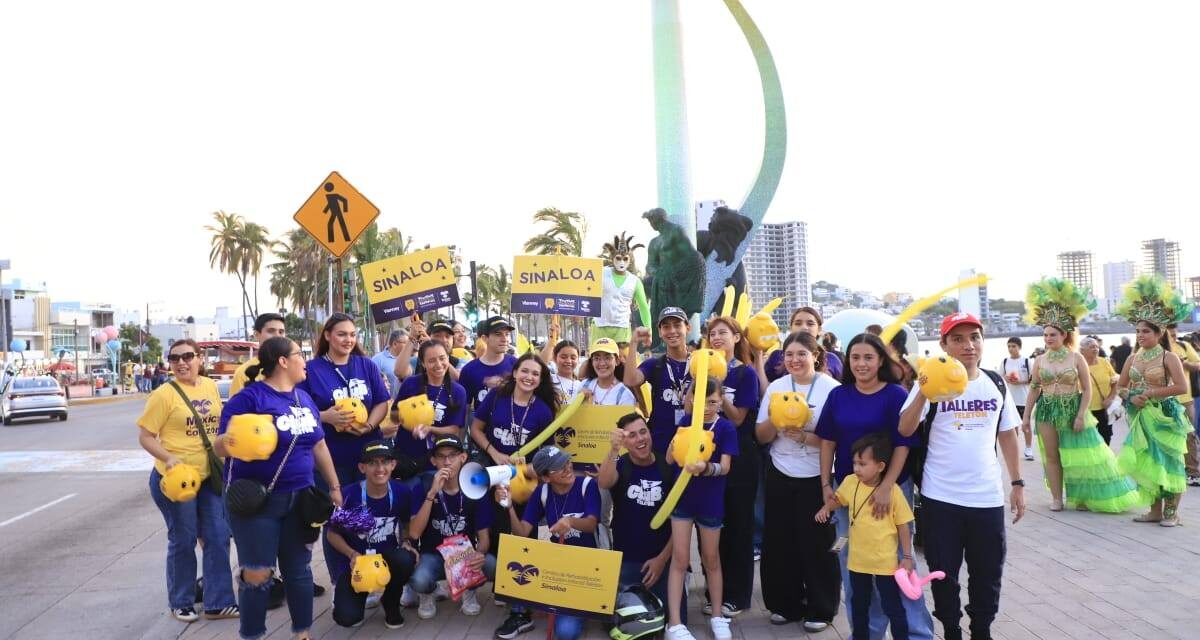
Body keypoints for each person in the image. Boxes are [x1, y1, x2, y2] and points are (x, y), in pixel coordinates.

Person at [898, 312, 1026, 640]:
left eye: (974, 337)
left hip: (986, 497)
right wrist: (925, 391)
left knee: (988, 573)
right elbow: (905, 428)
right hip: (941, 497)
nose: (968, 345)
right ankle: (952, 630)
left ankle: (981, 630)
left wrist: (1017, 482)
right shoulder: (928, 382)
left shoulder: (994, 382)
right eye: (958, 339)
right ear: (944, 345)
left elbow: (1008, 434)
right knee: (944, 573)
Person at [216, 336, 343, 640]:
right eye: (301, 355)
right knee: (258, 574)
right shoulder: (250, 399)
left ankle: (302, 633)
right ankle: (252, 634)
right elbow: (220, 446)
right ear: (283, 361)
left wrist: (335, 485)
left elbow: (320, 444)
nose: (306, 361)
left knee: (299, 572)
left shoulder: (304, 398)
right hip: (258, 502)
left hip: (300, 499)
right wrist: (233, 441)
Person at [817, 332, 931, 640]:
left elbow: (903, 444)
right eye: (855, 357)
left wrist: (886, 486)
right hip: (849, 492)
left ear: (881, 360)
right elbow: (827, 441)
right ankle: (865, 634)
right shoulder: (838, 396)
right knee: (854, 565)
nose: (861, 363)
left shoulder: (895, 394)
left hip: (890, 490)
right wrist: (826, 483)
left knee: (898, 565)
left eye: (868, 357)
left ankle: (917, 634)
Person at [138, 339, 237, 623]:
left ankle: (218, 602)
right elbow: (145, 436)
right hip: (176, 481)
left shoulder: (209, 387)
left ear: (199, 359)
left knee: (218, 536)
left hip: (208, 478)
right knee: (183, 539)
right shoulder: (163, 395)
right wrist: (168, 458)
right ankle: (181, 601)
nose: (181, 363)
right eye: (175, 358)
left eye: (187, 357)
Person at [1021, 280, 1138, 513]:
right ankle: (1057, 498)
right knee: (1052, 456)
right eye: (1045, 335)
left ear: (1064, 335)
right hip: (1046, 410)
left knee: (1080, 455)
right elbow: (1034, 388)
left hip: (1073, 408)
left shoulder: (1076, 358)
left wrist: (1081, 415)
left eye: (1052, 334)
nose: (1048, 338)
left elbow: (1087, 389)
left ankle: (1084, 495)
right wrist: (1026, 417)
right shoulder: (1040, 360)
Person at [753, 332, 840, 631]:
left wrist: (804, 436)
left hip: (818, 476)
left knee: (818, 544)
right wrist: (776, 423)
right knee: (780, 542)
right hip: (780, 471)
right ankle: (785, 603)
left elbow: (836, 439)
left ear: (815, 355)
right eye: (789, 354)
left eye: (801, 353)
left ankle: (821, 607)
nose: (794, 360)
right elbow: (760, 436)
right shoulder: (776, 387)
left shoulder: (830, 389)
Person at [300, 313, 394, 579]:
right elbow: (298, 410)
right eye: (342, 334)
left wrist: (369, 425)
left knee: (368, 517)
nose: (348, 340)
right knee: (339, 521)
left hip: (369, 458)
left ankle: (372, 574)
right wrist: (326, 416)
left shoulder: (365, 365)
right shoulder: (312, 369)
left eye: (352, 335)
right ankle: (341, 580)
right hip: (332, 461)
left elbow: (381, 401)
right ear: (327, 335)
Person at [494, 446, 601, 640]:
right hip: (558, 565)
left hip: (587, 568)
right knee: (520, 559)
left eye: (566, 462)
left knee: (566, 632)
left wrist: (570, 521)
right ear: (545, 477)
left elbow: (591, 524)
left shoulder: (587, 485)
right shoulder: (542, 492)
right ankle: (522, 614)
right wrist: (509, 507)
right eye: (558, 467)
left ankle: (581, 607)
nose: (567, 468)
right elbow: (523, 532)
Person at [816, 434, 914, 640]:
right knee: (859, 605)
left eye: (862, 463)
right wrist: (826, 508)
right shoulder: (850, 482)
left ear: (880, 466)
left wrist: (906, 556)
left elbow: (903, 526)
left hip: (886, 564)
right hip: (857, 563)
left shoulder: (892, 492)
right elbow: (838, 499)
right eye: (854, 463)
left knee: (892, 606)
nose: (856, 468)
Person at [1114, 276, 1193, 526]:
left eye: (1145, 331)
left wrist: (1150, 393)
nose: (1140, 335)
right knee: (1147, 461)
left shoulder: (1168, 357)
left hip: (1165, 415)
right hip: (1140, 416)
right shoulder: (1132, 359)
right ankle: (1154, 510)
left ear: (1159, 333)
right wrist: (1130, 396)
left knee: (1168, 460)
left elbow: (1181, 387)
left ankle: (1171, 513)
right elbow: (1120, 386)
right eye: (1137, 331)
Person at [663, 377, 738, 640]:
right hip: (682, 500)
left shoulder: (726, 428)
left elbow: (726, 467)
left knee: (712, 559)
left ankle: (718, 616)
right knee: (680, 560)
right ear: (690, 399)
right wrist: (675, 446)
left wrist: (705, 468)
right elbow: (669, 458)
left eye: (713, 402)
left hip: (710, 502)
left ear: (721, 401)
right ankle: (674, 623)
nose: (706, 407)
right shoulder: (685, 422)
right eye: (700, 401)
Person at [700, 316, 759, 619]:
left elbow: (737, 419)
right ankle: (713, 591)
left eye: (723, 333)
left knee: (738, 526)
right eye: (712, 334)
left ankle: (736, 595)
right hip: (707, 456)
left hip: (740, 459)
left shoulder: (745, 374)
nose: (717, 338)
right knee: (711, 525)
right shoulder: (701, 371)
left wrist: (718, 390)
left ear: (737, 337)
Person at [326, 440, 417, 630]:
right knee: (347, 618)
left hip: (387, 558)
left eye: (385, 462)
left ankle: (391, 601)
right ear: (362, 467)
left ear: (393, 465)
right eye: (372, 463)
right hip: (357, 563)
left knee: (406, 559)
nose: (379, 468)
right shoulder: (349, 494)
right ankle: (358, 598)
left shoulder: (401, 492)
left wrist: (407, 541)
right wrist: (352, 554)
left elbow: (407, 523)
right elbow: (331, 535)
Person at [597, 414, 678, 620]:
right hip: (628, 562)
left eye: (643, 432)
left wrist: (662, 560)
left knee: (671, 620)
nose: (640, 439)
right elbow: (604, 482)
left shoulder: (666, 467)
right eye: (632, 435)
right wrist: (613, 450)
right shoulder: (620, 464)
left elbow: (681, 523)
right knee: (626, 622)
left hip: (663, 559)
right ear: (624, 442)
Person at [407, 436, 496, 619]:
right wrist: (432, 493)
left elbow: (484, 537)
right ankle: (428, 593)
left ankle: (469, 590)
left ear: (463, 458)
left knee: (491, 564)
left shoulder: (474, 487)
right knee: (419, 580)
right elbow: (414, 533)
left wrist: (479, 554)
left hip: (465, 555)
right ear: (433, 460)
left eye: (453, 456)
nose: (447, 462)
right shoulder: (423, 485)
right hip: (433, 555)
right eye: (441, 456)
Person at [390, 341, 468, 488]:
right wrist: (407, 417)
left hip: (437, 463)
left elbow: (455, 430)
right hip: (407, 458)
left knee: (433, 503)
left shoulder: (458, 391)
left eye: (442, 358)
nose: (438, 364)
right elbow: (394, 415)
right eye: (431, 361)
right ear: (423, 363)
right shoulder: (411, 384)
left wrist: (430, 429)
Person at [624, 306, 693, 458]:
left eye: (677, 325)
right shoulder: (654, 364)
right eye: (666, 327)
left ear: (688, 327)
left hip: (693, 443)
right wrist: (634, 342)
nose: (672, 331)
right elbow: (630, 380)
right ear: (660, 332)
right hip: (660, 443)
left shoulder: (699, 363)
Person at [469, 352, 559, 466]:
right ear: (515, 373)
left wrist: (528, 468)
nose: (529, 377)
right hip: (489, 468)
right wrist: (494, 453)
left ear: (540, 380)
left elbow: (547, 450)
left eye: (535, 374)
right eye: (524, 371)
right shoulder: (496, 395)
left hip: (522, 475)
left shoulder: (544, 411)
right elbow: (475, 429)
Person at [760, 306, 837, 386]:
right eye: (798, 323)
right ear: (791, 328)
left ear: (819, 329)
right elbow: (765, 391)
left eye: (810, 324)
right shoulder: (776, 356)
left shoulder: (832, 359)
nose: (804, 327)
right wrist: (758, 355)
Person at [1165, 323, 1200, 486]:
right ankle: (1170, 469)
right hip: (1163, 400)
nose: (1172, 337)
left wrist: (1184, 364)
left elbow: (1198, 365)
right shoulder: (1157, 349)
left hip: (1185, 399)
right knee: (1167, 436)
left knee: (1190, 435)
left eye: (1174, 334)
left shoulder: (1183, 346)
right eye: (1169, 334)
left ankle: (1192, 471)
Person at [459, 316, 519, 409]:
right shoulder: (469, 370)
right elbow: (464, 410)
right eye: (498, 334)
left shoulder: (516, 364)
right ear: (484, 338)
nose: (504, 339)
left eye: (507, 334)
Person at [230, 313, 287, 398]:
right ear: (257, 335)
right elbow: (235, 409)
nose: (277, 336)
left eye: (281, 332)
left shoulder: (294, 367)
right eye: (271, 331)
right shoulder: (243, 372)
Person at [999, 337, 1035, 460]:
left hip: (1024, 399)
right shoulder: (1005, 361)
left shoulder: (1027, 361)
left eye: (1013, 346)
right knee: (1013, 427)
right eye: (1009, 346)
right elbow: (1001, 378)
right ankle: (1014, 450)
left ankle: (1029, 448)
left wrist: (1020, 381)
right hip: (1010, 400)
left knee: (1026, 425)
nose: (1011, 349)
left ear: (1019, 347)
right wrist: (1007, 379)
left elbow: (1033, 380)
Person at [1081, 336, 1119, 446]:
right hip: (1086, 410)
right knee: (1088, 440)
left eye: (1097, 346)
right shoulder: (1078, 365)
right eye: (1092, 347)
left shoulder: (1104, 362)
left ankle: (1106, 461)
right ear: (1082, 350)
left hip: (1104, 408)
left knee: (1106, 437)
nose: (1095, 349)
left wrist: (1110, 398)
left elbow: (1115, 382)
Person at [577, 338, 637, 406]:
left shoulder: (625, 394)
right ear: (592, 362)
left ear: (617, 361)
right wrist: (578, 400)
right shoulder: (584, 385)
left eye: (607, 358)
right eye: (597, 358)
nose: (602, 363)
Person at [540, 335, 582, 402]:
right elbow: (539, 365)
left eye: (573, 358)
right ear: (554, 358)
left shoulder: (582, 385)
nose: (568, 361)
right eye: (563, 357)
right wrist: (552, 341)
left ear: (578, 360)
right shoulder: (549, 380)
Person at [372, 329, 409, 401]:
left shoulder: (410, 358)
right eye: (406, 343)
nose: (408, 346)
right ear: (395, 344)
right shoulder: (378, 360)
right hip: (387, 407)